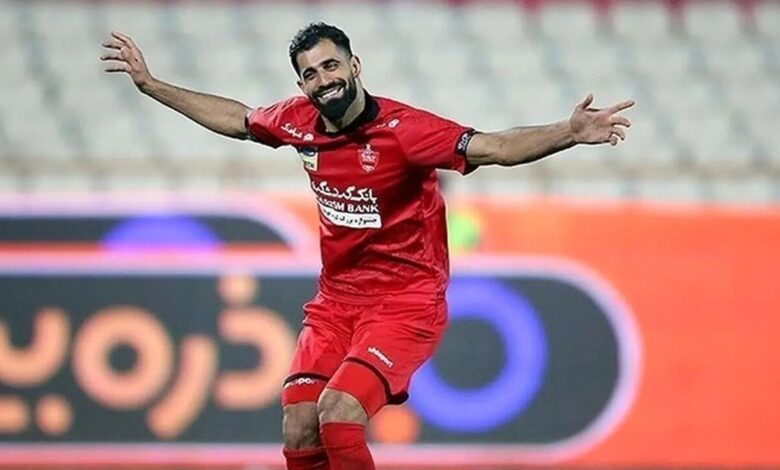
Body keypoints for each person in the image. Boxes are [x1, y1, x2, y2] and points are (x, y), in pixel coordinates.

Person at [101, 22, 633, 470]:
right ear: (301, 84)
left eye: (331, 66)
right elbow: (238, 119)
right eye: (311, 74)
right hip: (336, 303)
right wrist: (152, 86)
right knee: (299, 424)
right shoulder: (297, 121)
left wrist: (568, 132)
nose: (323, 80)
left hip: (406, 304)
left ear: (355, 66)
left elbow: (494, 147)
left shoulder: (406, 131)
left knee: (339, 412)